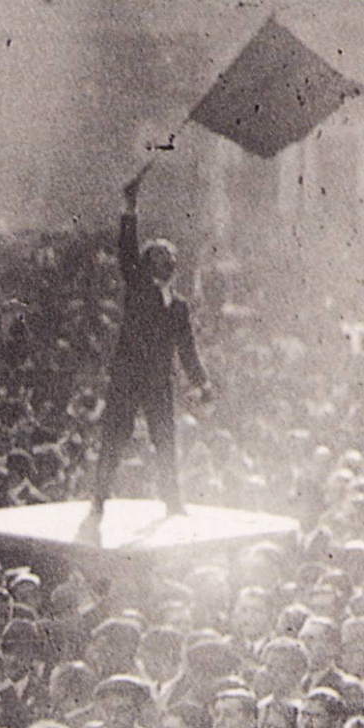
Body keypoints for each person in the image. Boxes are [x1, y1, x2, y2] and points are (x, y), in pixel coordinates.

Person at [92, 165, 213, 514]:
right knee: (114, 437)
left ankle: (172, 502)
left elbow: (187, 349)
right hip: (128, 377)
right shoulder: (138, 289)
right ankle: (99, 499)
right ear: (146, 265)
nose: (165, 261)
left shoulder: (178, 306)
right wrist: (130, 209)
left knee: (165, 440)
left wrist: (201, 380)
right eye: (157, 256)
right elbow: (126, 252)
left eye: (168, 257)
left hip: (158, 380)